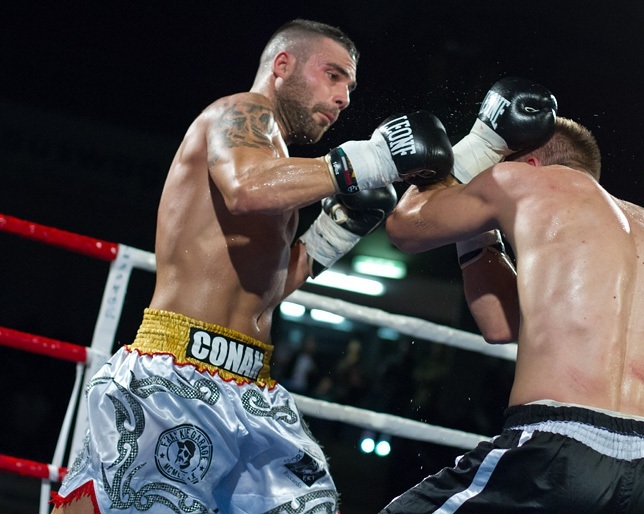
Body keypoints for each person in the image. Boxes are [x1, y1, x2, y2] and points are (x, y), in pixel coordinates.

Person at [51, 18, 455, 514]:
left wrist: (333, 233)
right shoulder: (237, 113)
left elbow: (267, 286)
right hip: (176, 375)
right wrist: (370, 159)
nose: (345, 97)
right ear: (282, 66)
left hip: (251, 390)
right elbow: (245, 189)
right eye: (333, 75)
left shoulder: (282, 168)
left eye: (350, 86)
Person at [381, 110, 644, 512]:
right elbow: (499, 324)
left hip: (558, 452)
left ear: (528, 164)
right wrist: (478, 232)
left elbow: (406, 226)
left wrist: (479, 148)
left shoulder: (523, 180)